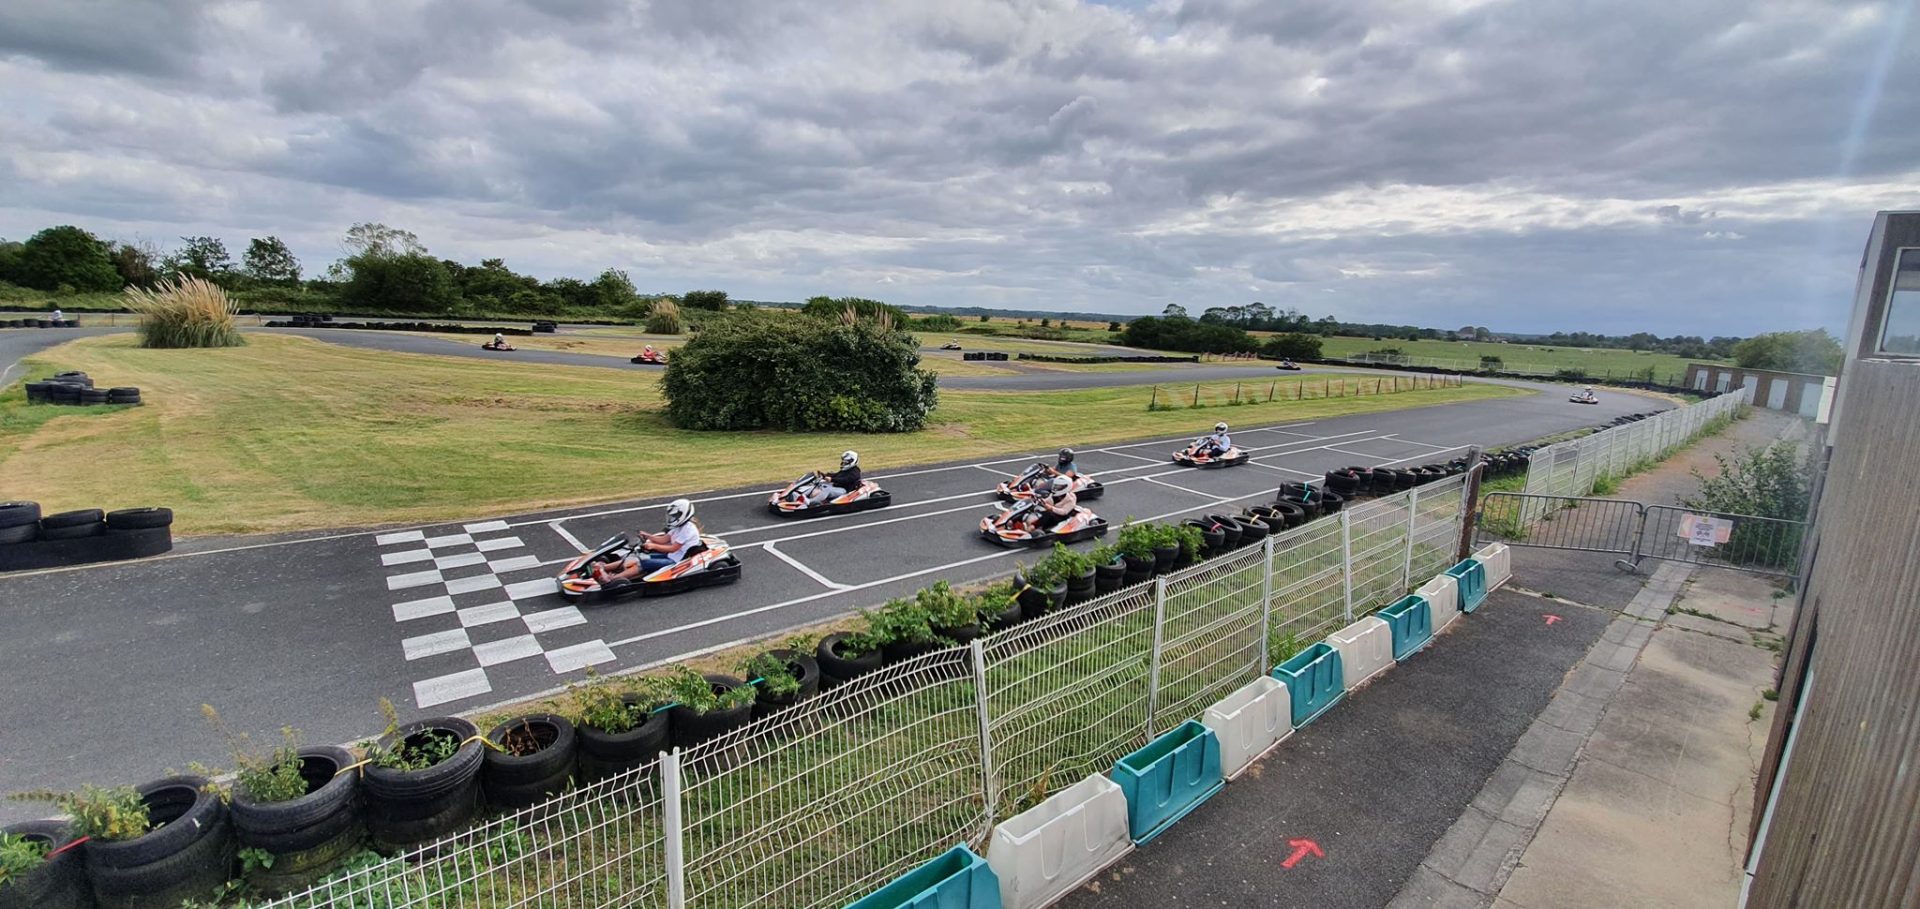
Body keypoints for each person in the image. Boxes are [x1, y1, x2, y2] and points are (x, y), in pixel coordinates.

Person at [592, 498, 702, 583]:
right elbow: (664, 539)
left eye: (674, 516)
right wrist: (648, 536)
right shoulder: (679, 527)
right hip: (671, 556)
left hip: (678, 561)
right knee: (635, 557)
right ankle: (603, 567)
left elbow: (673, 548)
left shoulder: (688, 529)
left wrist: (653, 546)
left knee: (642, 563)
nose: (672, 519)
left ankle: (612, 579)